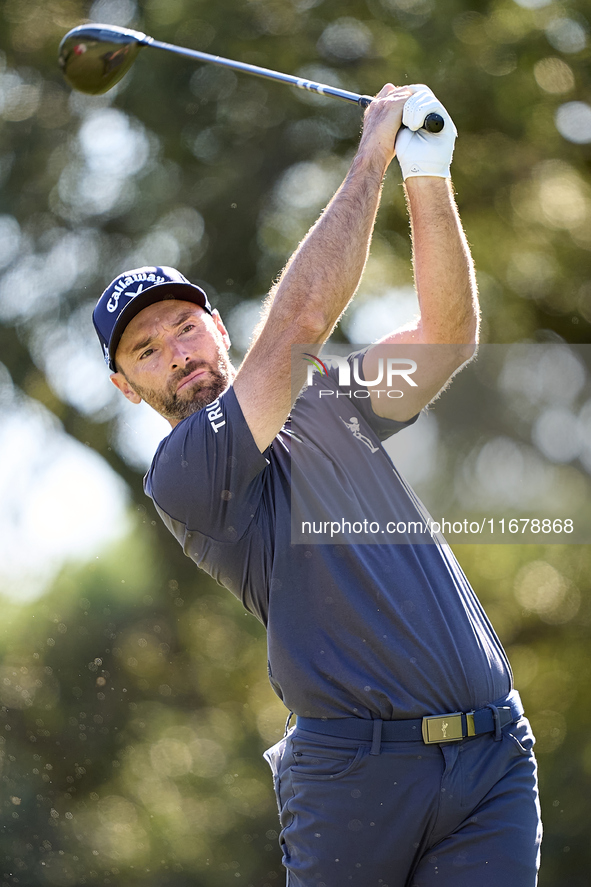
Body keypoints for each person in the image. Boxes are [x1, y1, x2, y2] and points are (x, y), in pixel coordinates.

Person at [92, 84, 542, 886]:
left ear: (217, 327)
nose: (179, 353)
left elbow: (445, 337)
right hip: (355, 782)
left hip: (492, 763)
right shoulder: (188, 474)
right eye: (147, 350)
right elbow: (296, 325)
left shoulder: (330, 397)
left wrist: (426, 173)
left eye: (185, 326)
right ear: (129, 388)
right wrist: (370, 153)